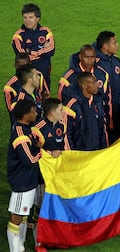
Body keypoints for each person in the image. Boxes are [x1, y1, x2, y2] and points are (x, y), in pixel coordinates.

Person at [6, 99, 41, 252]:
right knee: (17, 215)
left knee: (24, 214)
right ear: (26, 114)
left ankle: (20, 247)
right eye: (33, 111)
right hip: (22, 182)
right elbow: (30, 160)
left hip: (28, 180)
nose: (36, 113)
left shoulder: (26, 129)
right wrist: (41, 151)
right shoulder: (21, 135)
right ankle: (16, 250)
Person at [30, 97, 64, 249]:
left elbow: (64, 149)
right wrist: (50, 153)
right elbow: (32, 152)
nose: (63, 112)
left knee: (53, 207)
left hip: (56, 175)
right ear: (52, 112)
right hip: (40, 176)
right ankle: (39, 242)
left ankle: (52, 237)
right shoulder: (38, 128)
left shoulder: (61, 126)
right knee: (41, 208)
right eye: (61, 110)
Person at [12, 3, 55, 90]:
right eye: (25, 17)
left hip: (44, 73)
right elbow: (23, 56)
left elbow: (51, 51)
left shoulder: (46, 32)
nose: (27, 20)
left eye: (31, 17)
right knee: (28, 100)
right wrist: (42, 50)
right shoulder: (18, 36)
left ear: (38, 18)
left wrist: (30, 52)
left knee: (44, 98)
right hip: (26, 76)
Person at [95, 31, 120, 145]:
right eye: (114, 43)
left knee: (116, 139)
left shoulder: (117, 61)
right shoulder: (95, 63)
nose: (117, 45)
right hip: (103, 112)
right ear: (105, 46)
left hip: (118, 110)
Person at [64, 72, 107, 151]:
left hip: (97, 152)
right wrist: (72, 154)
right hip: (80, 155)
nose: (97, 85)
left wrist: (104, 148)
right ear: (83, 85)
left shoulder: (97, 102)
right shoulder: (72, 105)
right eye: (93, 83)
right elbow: (66, 133)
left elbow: (102, 127)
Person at [4, 53, 48, 127]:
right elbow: (19, 127)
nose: (39, 77)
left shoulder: (35, 92)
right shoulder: (21, 102)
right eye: (36, 76)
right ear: (29, 80)